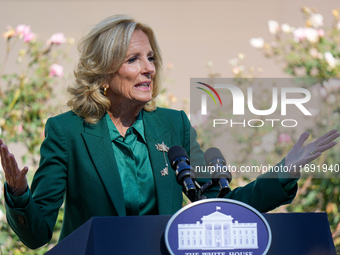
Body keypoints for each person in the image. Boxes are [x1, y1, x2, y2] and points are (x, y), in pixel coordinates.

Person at [0, 14, 339, 250]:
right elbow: (38, 233)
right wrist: (18, 194)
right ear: (103, 75)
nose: (148, 67)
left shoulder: (173, 125)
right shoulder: (68, 132)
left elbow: (218, 206)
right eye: (133, 59)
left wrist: (284, 171)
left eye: (150, 57)